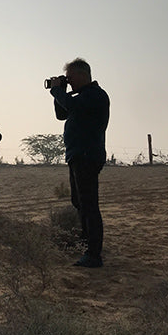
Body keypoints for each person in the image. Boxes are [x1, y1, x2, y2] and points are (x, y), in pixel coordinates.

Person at [49, 58, 110, 268]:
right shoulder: (81, 96)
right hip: (77, 155)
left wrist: (58, 90)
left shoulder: (95, 95)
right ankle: (86, 244)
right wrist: (59, 92)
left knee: (89, 204)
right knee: (79, 202)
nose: (70, 81)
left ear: (83, 75)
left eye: (71, 77)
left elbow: (70, 105)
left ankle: (94, 254)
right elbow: (61, 114)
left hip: (87, 155)